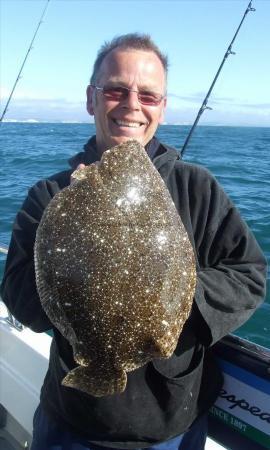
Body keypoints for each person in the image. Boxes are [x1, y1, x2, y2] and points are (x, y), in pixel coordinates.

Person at [1, 33, 267, 450]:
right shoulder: (51, 195)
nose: (132, 104)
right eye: (116, 90)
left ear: (161, 107)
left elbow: (248, 274)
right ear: (92, 99)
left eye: (148, 95)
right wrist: (78, 265)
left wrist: (168, 300)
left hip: (172, 420)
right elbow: (18, 295)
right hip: (72, 418)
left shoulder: (195, 186)